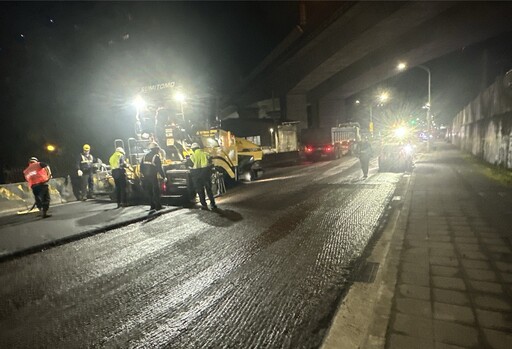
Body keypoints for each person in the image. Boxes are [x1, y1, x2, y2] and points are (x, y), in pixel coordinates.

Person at [190, 142, 217, 210]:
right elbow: (211, 161)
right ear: (199, 148)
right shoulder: (205, 154)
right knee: (208, 189)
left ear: (193, 149)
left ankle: (204, 205)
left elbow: (190, 165)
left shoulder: (192, 156)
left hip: (196, 174)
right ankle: (213, 204)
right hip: (205, 173)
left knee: (200, 190)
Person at [140, 142, 166, 212]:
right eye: (157, 149)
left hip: (146, 177)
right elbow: (159, 168)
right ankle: (158, 206)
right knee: (156, 191)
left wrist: (143, 175)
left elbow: (141, 167)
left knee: (150, 191)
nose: (158, 150)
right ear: (155, 149)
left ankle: (152, 206)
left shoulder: (144, 156)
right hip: (153, 176)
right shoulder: (156, 157)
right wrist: (164, 177)